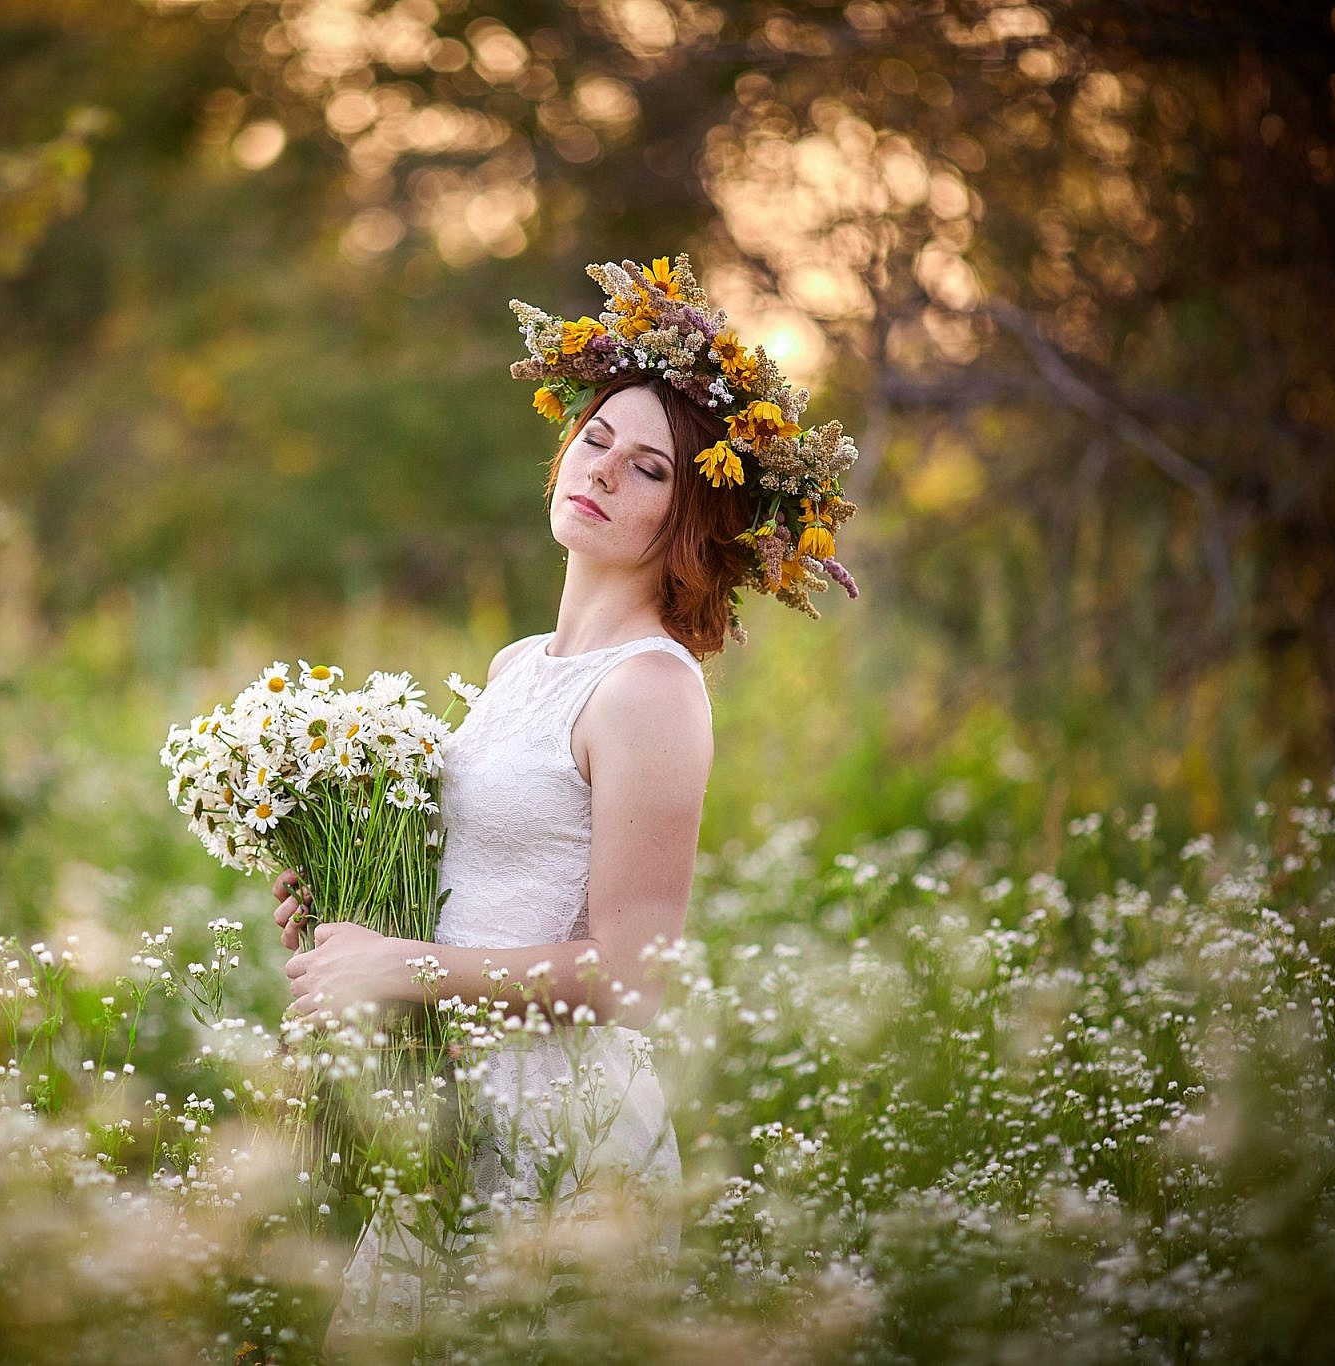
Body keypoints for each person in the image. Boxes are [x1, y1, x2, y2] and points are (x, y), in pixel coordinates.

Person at [269, 253, 861, 1348]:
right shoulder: (515, 663)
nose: (603, 472)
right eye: (595, 440)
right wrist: (352, 908)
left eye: (650, 471)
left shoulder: (647, 689)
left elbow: (634, 972)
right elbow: (494, 881)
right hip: (451, 1109)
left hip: (557, 1127)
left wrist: (406, 968)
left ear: (692, 519)